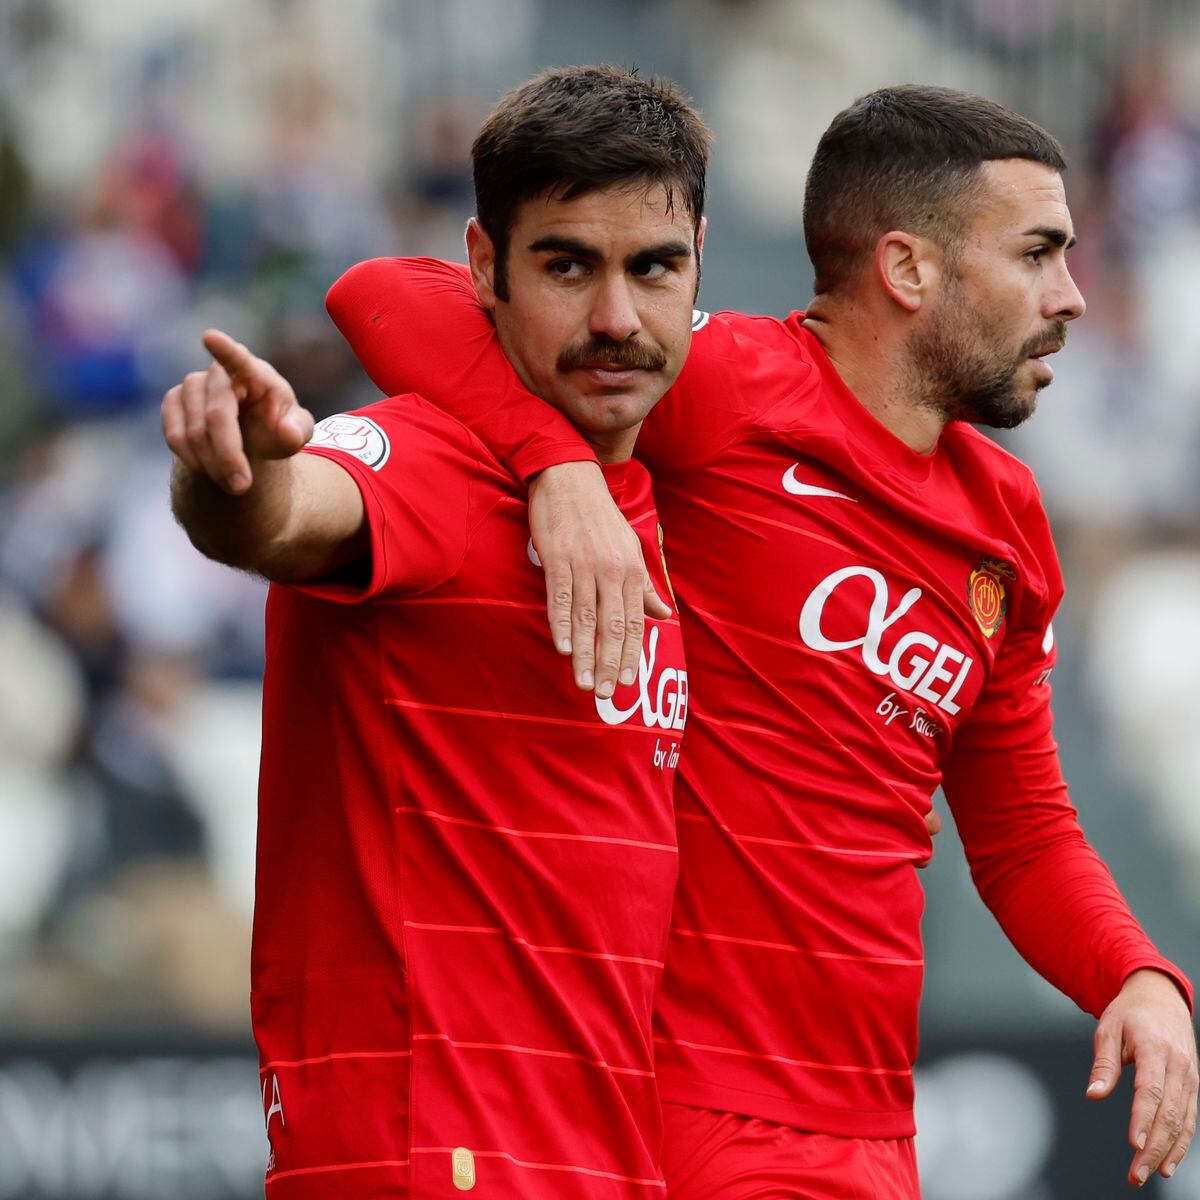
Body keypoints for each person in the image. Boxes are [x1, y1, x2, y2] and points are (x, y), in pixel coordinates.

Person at [327, 84, 1198, 1195]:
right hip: (681, 1102)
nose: (1072, 297)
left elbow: (1024, 837)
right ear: (910, 269)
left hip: (875, 1124)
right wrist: (551, 461)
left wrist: (1137, 974)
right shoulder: (724, 384)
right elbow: (380, 292)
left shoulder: (1008, 527)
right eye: (1038, 253)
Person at [161, 66, 711, 1197]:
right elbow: (284, 517)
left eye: (653, 268)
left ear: (698, 261)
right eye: (566, 265)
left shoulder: (665, 491)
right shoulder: (425, 458)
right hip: (431, 1150)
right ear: (481, 268)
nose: (616, 317)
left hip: (604, 1156)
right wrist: (236, 476)